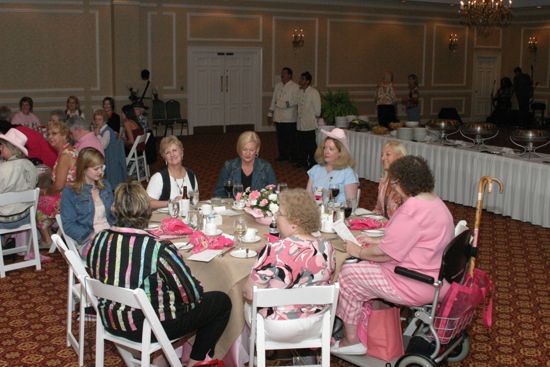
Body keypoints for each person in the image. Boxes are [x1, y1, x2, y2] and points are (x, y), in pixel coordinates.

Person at [87, 181, 231, 366]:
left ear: (115, 209)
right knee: (221, 302)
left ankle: (163, 358)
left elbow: (96, 273)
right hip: (148, 327)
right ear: (147, 211)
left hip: (111, 319)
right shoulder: (157, 249)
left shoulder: (98, 240)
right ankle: (196, 361)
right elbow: (191, 294)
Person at [331, 156, 454, 355]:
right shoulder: (435, 202)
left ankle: (351, 340)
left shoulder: (412, 210)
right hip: (434, 276)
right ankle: (366, 324)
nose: (393, 188)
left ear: (403, 182)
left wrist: (359, 250)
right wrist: (378, 242)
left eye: (394, 182)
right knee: (361, 267)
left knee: (348, 273)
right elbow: (414, 240)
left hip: (414, 281)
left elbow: (384, 255)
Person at [243, 188, 335, 325]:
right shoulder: (327, 247)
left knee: (245, 305)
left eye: (279, 214)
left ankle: (246, 346)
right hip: (315, 322)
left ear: (294, 223)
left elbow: (249, 294)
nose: (275, 218)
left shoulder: (274, 250)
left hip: (278, 326)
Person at [60, 148, 115, 258]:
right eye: (96, 169)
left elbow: (113, 215)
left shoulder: (105, 185)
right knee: (118, 253)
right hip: (88, 240)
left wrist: (116, 210)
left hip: (110, 234)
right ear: (83, 169)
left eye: (102, 167)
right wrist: (90, 236)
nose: (101, 172)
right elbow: (68, 225)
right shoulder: (71, 192)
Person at [36, 120, 78, 248]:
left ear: (65, 135)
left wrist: (42, 191)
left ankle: (47, 240)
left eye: (54, 133)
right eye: (48, 134)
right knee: (42, 197)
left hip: (69, 198)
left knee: (35, 202)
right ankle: (53, 235)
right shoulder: (71, 150)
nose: (50, 137)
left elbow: (59, 186)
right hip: (74, 195)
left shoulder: (65, 155)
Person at [213, 131, 277, 197]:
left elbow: (273, 193)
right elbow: (219, 192)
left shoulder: (266, 167)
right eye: (244, 149)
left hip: (257, 207)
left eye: (251, 150)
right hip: (233, 206)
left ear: (257, 150)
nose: (248, 153)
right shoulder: (229, 166)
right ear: (239, 149)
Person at [0, 129, 38, 238]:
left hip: (4, 220)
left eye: (2, 146)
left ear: (11, 148)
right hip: (25, 217)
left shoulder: (3, 169)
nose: (0, 148)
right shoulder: (30, 165)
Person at [306, 128, 358, 205]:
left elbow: (351, 204)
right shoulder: (316, 169)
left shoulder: (347, 172)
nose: (326, 152)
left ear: (340, 153)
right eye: (325, 148)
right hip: (315, 212)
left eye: (331, 149)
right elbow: (307, 196)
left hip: (338, 214)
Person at [146, 136, 198, 209]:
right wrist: (171, 202)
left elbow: (195, 200)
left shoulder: (191, 175)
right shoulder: (158, 178)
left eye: (174, 150)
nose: (172, 154)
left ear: (182, 153)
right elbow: (147, 203)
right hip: (164, 218)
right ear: (164, 157)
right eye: (168, 152)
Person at [268, 67, 300, 162]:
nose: (282, 75)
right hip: (279, 116)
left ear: (289, 75)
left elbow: (296, 100)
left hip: (289, 117)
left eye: (284, 73)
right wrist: (270, 113)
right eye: (281, 73)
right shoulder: (278, 85)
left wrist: (285, 104)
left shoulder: (295, 86)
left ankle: (293, 157)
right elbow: (274, 99)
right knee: (281, 138)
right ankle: (283, 155)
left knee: (291, 139)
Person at [93, 109, 127, 189]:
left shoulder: (107, 131)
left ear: (104, 120)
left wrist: (97, 135)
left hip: (110, 157)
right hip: (109, 156)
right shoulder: (103, 130)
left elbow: (103, 145)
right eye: (96, 119)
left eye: (100, 119)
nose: (97, 122)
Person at [373, 141, 407, 219]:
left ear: (400, 157)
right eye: (382, 155)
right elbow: (378, 209)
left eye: (387, 154)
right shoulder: (383, 182)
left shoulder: (406, 184)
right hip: (385, 228)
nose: (382, 158)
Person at [297, 71, 321, 169]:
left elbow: (317, 110)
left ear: (307, 81)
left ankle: (313, 163)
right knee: (301, 145)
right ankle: (302, 162)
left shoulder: (313, 92)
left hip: (309, 124)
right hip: (300, 124)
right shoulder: (300, 92)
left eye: (302, 79)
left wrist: (313, 117)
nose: (300, 81)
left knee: (311, 146)